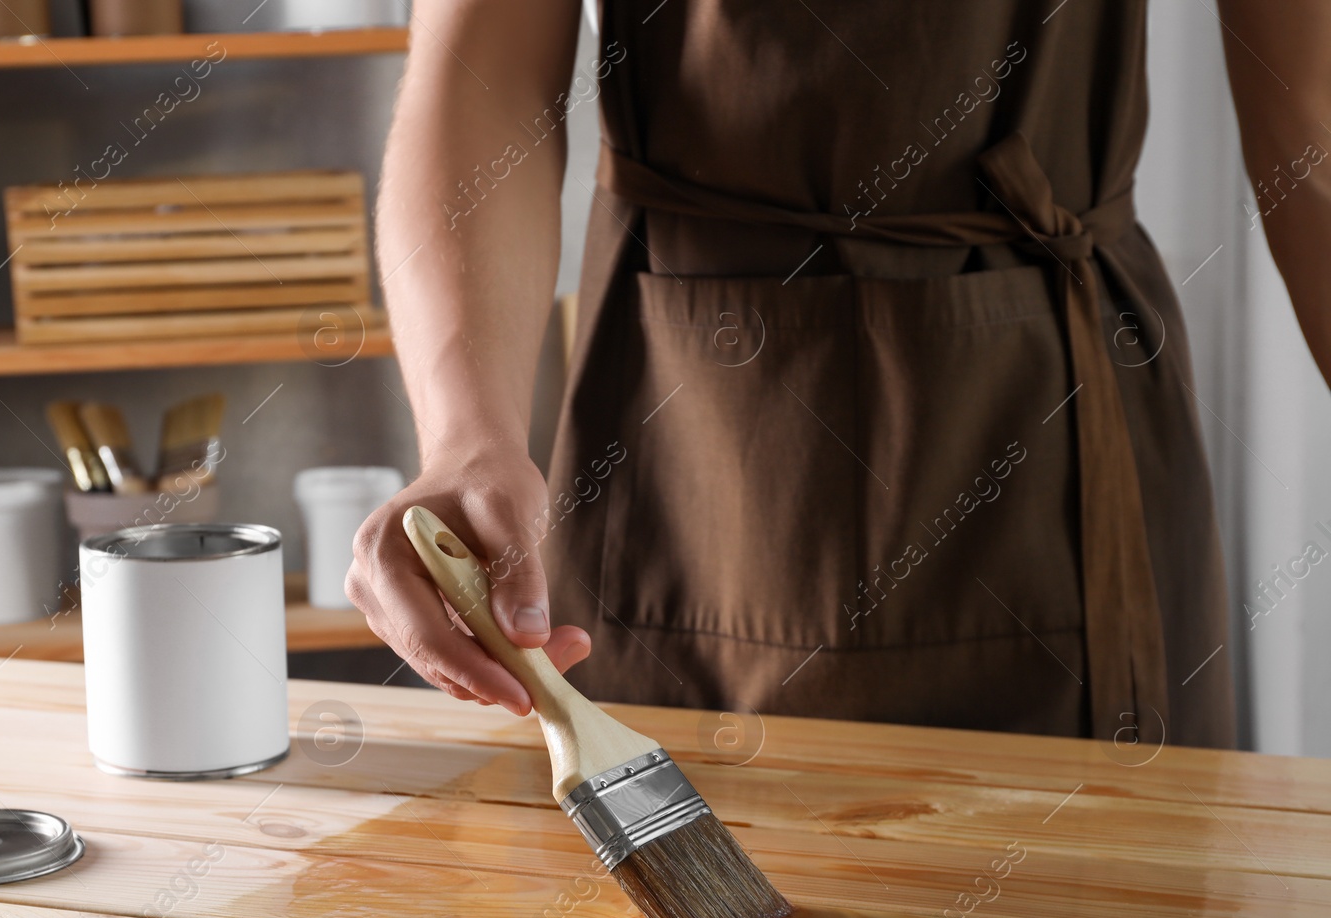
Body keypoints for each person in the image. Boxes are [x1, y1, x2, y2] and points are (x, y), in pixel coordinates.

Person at [347, 1, 1331, 748]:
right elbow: (483, 70)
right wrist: (466, 435)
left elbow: (1310, 121)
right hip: (686, 443)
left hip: (1064, 420)